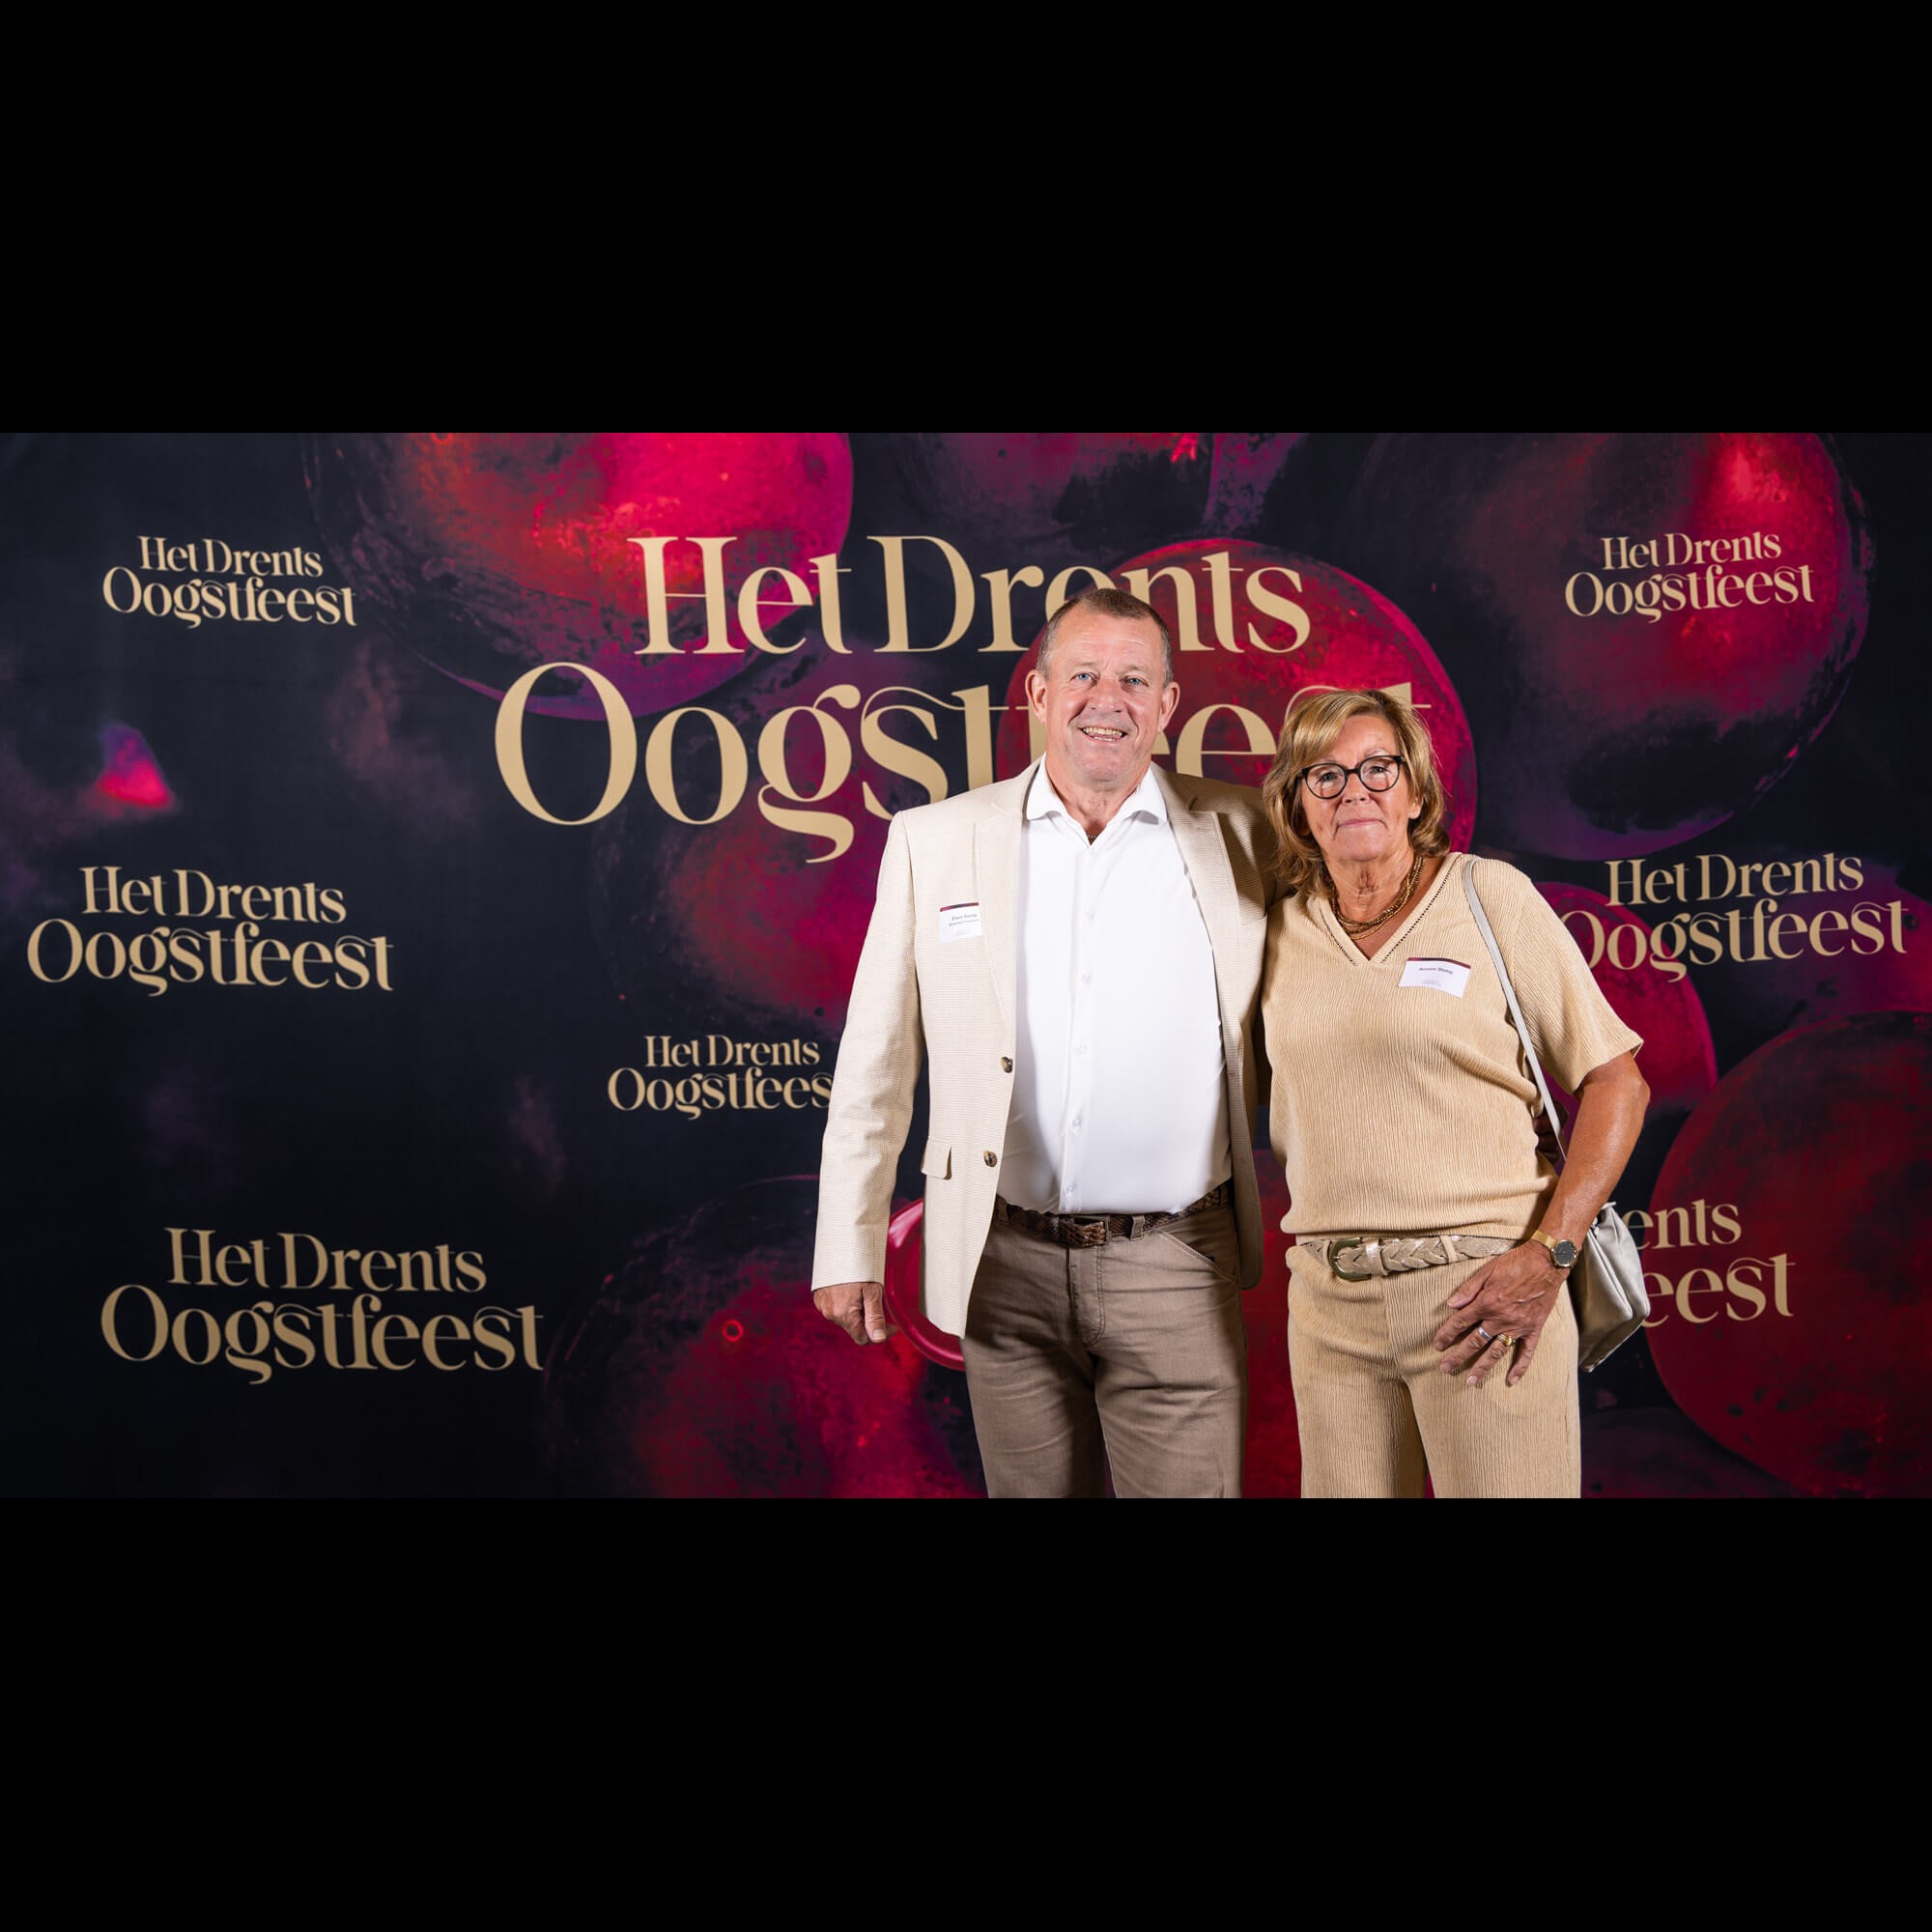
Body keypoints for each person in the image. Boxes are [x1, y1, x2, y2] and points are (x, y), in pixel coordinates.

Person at [812, 586, 1280, 1497]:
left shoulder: (1247, 831)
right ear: (1037, 693)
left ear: (1167, 705)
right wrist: (848, 1244)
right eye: (1084, 675)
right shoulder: (934, 842)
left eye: (1134, 680)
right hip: (1001, 1266)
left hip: (1178, 1263)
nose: (1108, 700)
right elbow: (875, 1065)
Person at [1258, 686, 1648, 1498]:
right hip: (1327, 1307)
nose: (1353, 790)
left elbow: (1617, 1081)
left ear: (1416, 792)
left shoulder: (1486, 897)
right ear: (1298, 807)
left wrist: (1551, 1253)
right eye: (1324, 775)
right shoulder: (1276, 933)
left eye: (1378, 768)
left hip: (1482, 1293)